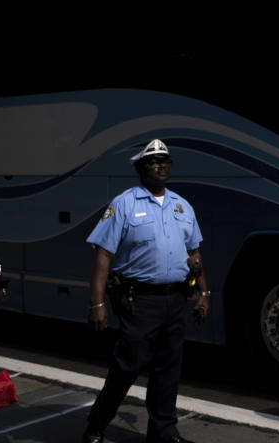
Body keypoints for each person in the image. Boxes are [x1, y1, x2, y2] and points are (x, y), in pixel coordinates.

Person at [83, 139, 209, 443]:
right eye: (153, 162)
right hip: (139, 301)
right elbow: (103, 255)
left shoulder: (182, 205)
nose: (160, 166)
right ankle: (96, 424)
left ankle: (163, 433)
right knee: (128, 366)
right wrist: (96, 303)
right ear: (141, 169)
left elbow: (194, 254)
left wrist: (204, 294)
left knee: (168, 371)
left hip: (176, 298)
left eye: (164, 161)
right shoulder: (124, 204)